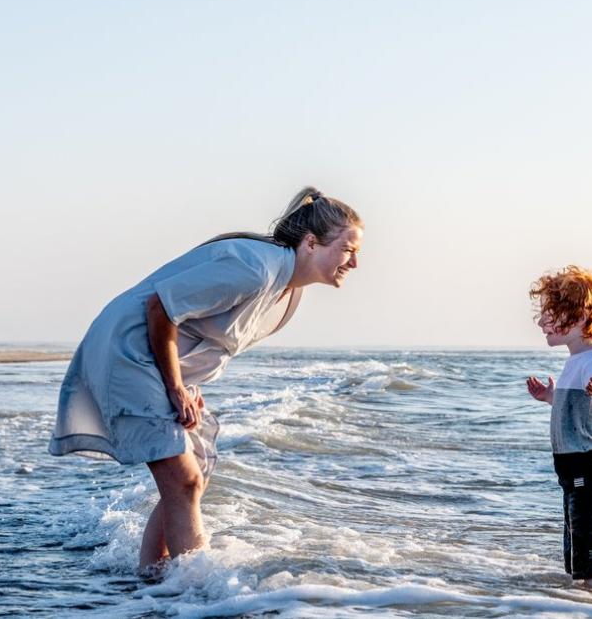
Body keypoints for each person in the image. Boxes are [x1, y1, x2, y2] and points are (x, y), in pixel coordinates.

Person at [49, 187, 363, 573]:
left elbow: (200, 332)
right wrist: (174, 386)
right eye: (349, 250)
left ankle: (154, 579)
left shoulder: (287, 294)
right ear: (312, 243)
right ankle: (191, 593)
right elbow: (160, 307)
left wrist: (186, 384)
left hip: (156, 357)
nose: (355, 263)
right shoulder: (256, 268)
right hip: (127, 351)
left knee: (195, 474)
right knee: (183, 480)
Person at [523, 265, 592, 594]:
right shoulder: (574, 362)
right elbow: (576, 408)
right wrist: (550, 397)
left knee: (590, 554)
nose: (541, 322)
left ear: (579, 316)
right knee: (577, 552)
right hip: (575, 468)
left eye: (549, 313)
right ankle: (581, 603)